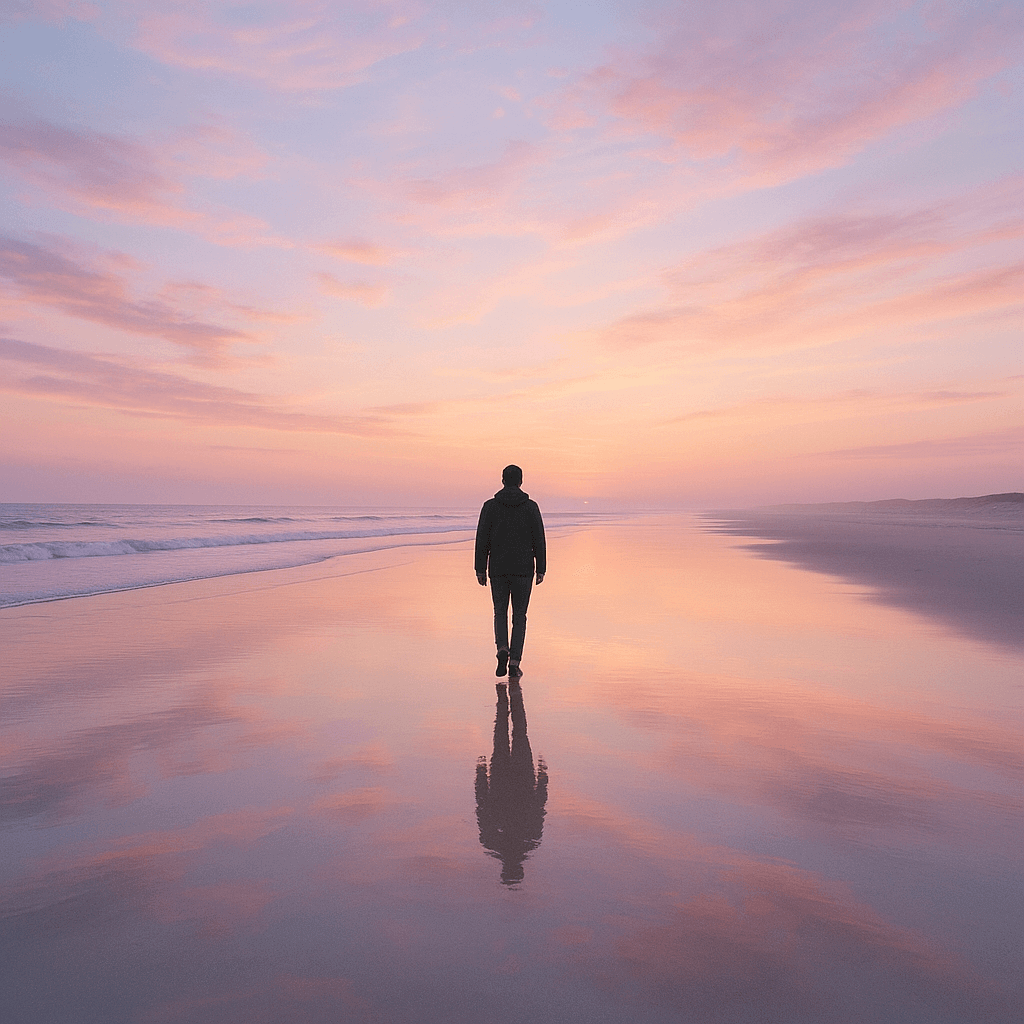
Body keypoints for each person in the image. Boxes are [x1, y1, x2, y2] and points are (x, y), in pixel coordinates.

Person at [475, 465, 546, 678]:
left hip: (498, 568)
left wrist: (480, 568)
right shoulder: (531, 507)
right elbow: (539, 538)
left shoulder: (490, 507)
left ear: (503, 480)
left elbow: (482, 539)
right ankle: (514, 662)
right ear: (521, 481)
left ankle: (502, 648)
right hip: (523, 569)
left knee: (500, 612)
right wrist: (541, 568)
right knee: (519, 615)